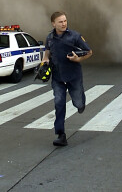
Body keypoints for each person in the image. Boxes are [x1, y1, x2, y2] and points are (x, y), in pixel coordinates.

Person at [42, 11, 92, 146]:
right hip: (58, 77)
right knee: (59, 104)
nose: (64, 24)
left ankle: (81, 103)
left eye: (65, 21)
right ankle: (60, 134)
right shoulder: (50, 38)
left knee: (78, 102)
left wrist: (78, 58)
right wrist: (45, 62)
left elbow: (89, 51)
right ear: (53, 24)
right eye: (60, 22)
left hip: (73, 76)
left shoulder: (74, 36)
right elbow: (46, 54)